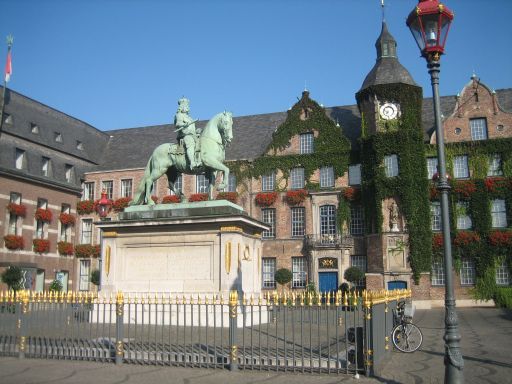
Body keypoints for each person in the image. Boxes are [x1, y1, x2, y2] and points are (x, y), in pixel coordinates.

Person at [174, 97, 200, 169]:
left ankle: (199, 160)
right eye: (186, 106)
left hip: (192, 134)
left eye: (188, 106)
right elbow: (177, 124)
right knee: (190, 144)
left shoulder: (189, 117)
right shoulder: (179, 115)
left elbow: (192, 128)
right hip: (184, 135)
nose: (187, 107)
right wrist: (183, 125)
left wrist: (197, 131)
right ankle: (192, 162)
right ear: (181, 107)